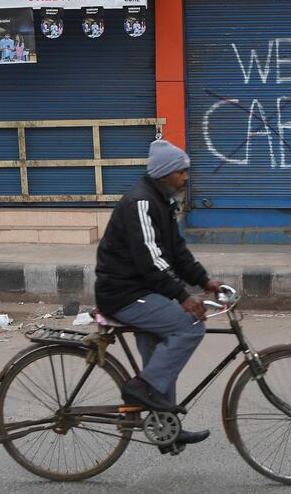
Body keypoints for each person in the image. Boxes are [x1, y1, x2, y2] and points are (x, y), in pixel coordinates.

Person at [95, 139, 222, 452]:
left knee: (162, 356)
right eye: (181, 171)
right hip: (123, 294)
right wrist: (183, 296)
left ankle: (165, 427)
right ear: (165, 173)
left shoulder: (162, 201)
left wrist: (203, 281)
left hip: (143, 291)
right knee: (188, 325)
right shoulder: (140, 202)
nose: (186, 177)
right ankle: (142, 388)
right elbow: (150, 260)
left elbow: (176, 252)